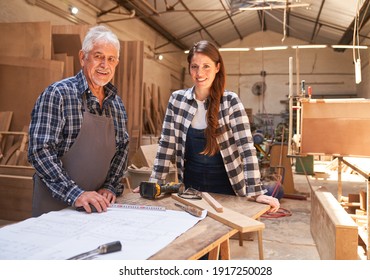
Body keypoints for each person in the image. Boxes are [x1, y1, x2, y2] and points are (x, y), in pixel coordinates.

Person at [135, 40, 280, 212]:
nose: (199, 72)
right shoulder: (177, 100)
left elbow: (247, 150)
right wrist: (154, 183)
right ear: (189, 68)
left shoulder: (230, 102)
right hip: (191, 189)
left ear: (217, 67)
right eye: (194, 66)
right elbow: (166, 145)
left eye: (206, 66)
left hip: (228, 188)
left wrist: (256, 191)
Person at [28, 25, 129, 216]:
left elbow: (122, 149)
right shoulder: (58, 94)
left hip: (96, 208)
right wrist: (76, 194)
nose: (104, 65)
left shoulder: (116, 105)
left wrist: (110, 186)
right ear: (83, 57)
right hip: (54, 207)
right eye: (98, 56)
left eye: (111, 59)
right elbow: (40, 151)